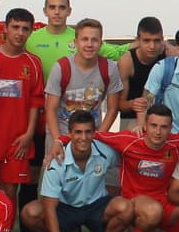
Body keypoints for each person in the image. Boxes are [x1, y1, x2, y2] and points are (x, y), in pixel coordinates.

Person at [94, 103, 179, 232]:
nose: (158, 132)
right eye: (153, 126)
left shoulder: (178, 143)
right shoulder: (128, 141)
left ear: (170, 128)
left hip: (165, 202)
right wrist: (60, 141)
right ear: (145, 125)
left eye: (164, 127)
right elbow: (92, 136)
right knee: (153, 211)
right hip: (135, 201)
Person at [23, 110, 130, 232]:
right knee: (29, 213)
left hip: (96, 206)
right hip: (66, 209)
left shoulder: (105, 152)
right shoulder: (57, 159)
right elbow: (49, 207)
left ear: (94, 133)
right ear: (70, 134)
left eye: (88, 132)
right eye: (78, 132)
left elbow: (128, 159)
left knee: (127, 207)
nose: (83, 137)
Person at [0, 7, 44, 209]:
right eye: (15, 27)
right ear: (5, 28)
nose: (20, 33)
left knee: (9, 192)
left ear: (31, 31)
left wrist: (28, 134)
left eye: (25, 29)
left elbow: (36, 102)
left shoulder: (33, 63)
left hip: (17, 142)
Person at [44, 17, 123, 145]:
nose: (89, 44)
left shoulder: (109, 68)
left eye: (94, 40)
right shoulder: (61, 67)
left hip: (92, 135)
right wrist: (58, 140)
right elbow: (50, 109)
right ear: (75, 42)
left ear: (101, 44)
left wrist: (98, 138)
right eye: (84, 39)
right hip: (62, 134)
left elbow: (112, 109)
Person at [117, 16, 168, 130]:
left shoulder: (170, 55)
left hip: (163, 118)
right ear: (137, 40)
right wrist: (133, 104)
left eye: (156, 40)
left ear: (162, 40)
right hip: (131, 118)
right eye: (146, 40)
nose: (152, 46)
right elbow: (119, 105)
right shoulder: (127, 61)